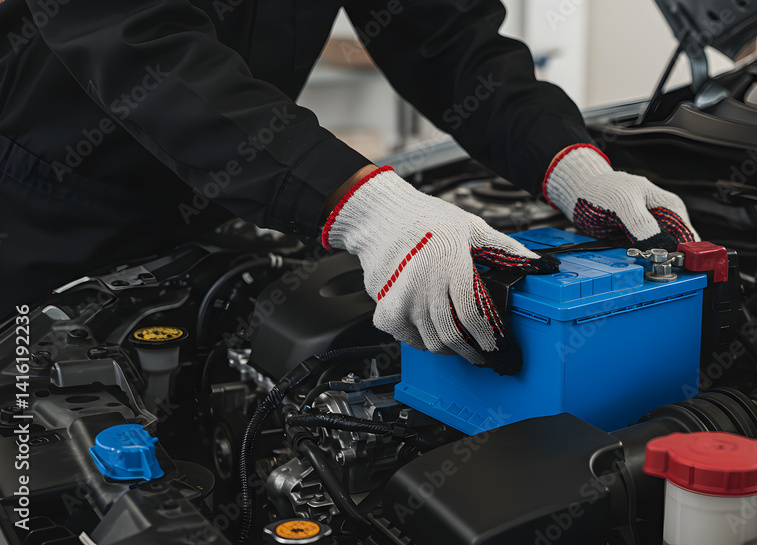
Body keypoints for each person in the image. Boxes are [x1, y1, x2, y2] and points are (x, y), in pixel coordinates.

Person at [0, 0, 698, 373]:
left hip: (219, 196)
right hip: (44, 208)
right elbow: (134, 38)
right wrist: (365, 207)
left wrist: (570, 164)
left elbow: (447, 41)